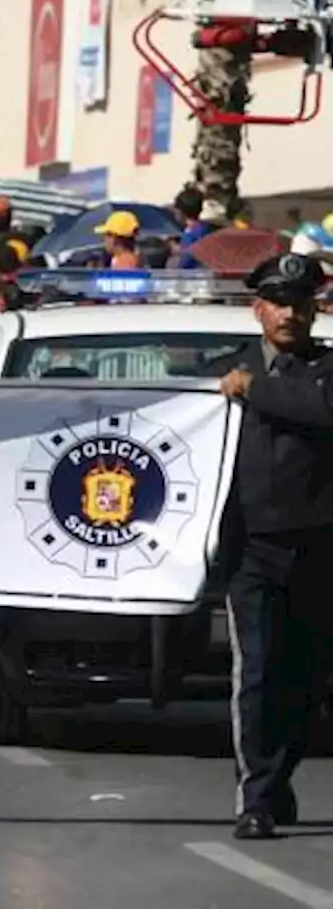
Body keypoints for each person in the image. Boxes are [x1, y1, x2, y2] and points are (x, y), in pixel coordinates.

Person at [210, 252, 333, 840]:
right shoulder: (220, 372)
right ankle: (254, 798)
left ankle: (277, 778)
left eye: (301, 303)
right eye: (279, 302)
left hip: (319, 549)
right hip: (251, 551)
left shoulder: (325, 373)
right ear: (257, 307)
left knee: (305, 680)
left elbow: (322, 410)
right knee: (256, 673)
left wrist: (255, 389)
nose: (289, 313)